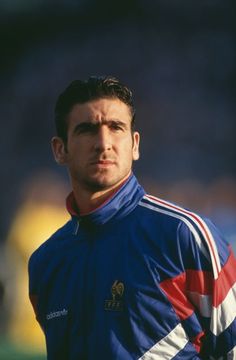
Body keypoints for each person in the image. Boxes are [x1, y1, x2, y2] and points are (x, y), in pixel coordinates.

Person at [28, 76, 236, 359]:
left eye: (116, 127)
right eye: (87, 129)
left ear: (135, 144)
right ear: (60, 149)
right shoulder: (45, 263)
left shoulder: (184, 235)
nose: (103, 143)